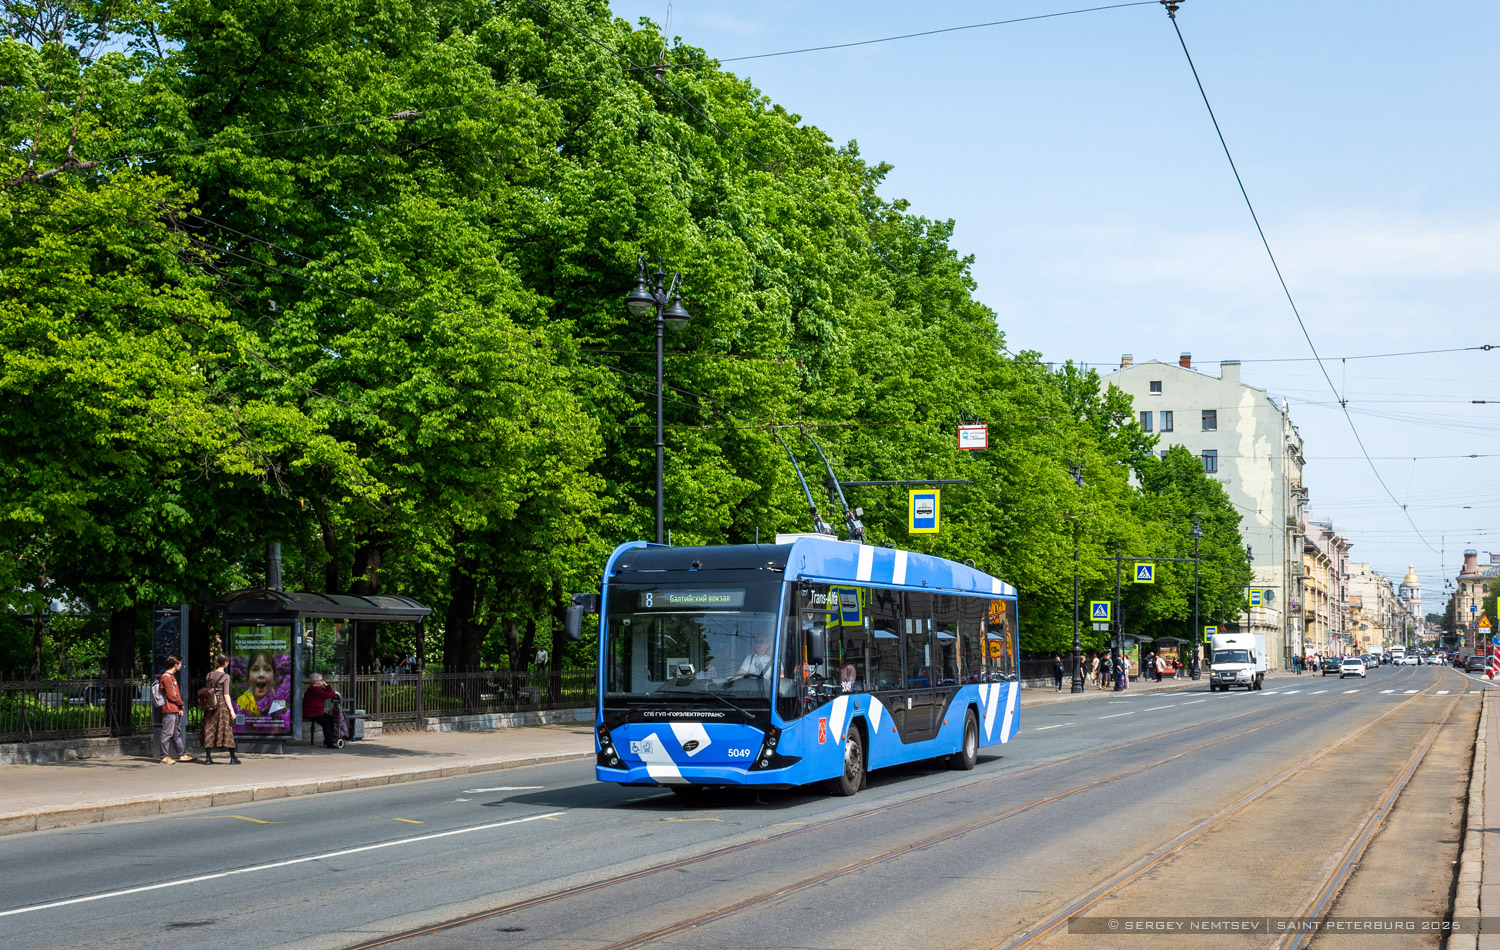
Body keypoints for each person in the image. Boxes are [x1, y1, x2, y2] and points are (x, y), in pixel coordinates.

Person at [201, 654, 240, 765]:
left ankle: (208, 758)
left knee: (209, 728)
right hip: (221, 704)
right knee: (226, 729)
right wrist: (232, 710)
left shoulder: (209, 675)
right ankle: (233, 758)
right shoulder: (225, 676)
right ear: (226, 663)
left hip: (209, 703)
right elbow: (226, 694)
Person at [157, 655, 193, 764]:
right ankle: (164, 756)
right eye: (180, 664)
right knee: (167, 734)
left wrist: (179, 707)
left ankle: (181, 754)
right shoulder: (166, 678)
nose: (181, 666)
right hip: (169, 710)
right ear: (175, 664)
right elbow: (172, 695)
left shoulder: (171, 677)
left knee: (176, 733)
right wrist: (181, 704)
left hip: (174, 709)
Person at [236, 651, 283, 716]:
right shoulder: (242, 701)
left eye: (267, 670)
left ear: (274, 678)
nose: (261, 674)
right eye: (255, 670)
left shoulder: (279, 701)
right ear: (248, 677)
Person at [302, 673, 341, 749]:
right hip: (311, 713)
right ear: (316, 681)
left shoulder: (318, 688)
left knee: (331, 718)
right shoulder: (314, 689)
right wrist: (335, 693)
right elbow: (326, 695)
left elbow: (328, 692)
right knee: (325, 722)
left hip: (317, 712)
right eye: (321, 680)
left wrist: (326, 685)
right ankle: (329, 743)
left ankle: (329, 740)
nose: (323, 681)